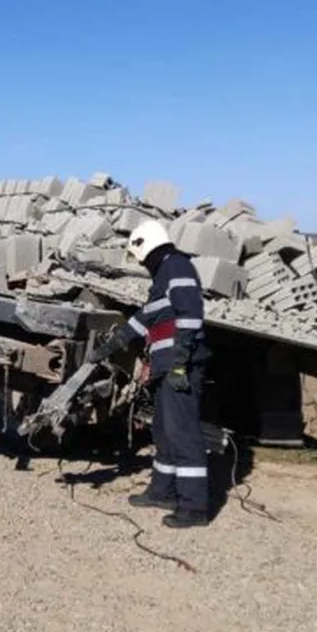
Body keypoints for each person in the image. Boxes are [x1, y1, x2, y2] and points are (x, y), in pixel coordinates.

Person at [88, 219, 211, 528]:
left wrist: (181, 362)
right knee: (164, 431)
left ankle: (194, 507)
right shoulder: (163, 277)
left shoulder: (178, 266)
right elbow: (144, 320)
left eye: (140, 257)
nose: (142, 264)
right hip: (166, 367)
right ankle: (162, 491)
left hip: (180, 366)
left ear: (149, 247)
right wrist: (111, 346)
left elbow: (191, 316)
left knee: (182, 433)